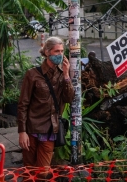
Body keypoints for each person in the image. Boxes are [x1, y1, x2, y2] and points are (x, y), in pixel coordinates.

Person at [17, 36, 75, 167]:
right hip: (32, 129)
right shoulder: (32, 74)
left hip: (50, 129)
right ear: (47, 52)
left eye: (61, 51)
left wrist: (66, 76)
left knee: (43, 172)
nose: (60, 54)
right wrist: (22, 132)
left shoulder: (62, 75)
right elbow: (23, 104)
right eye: (56, 51)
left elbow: (69, 98)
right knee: (29, 170)